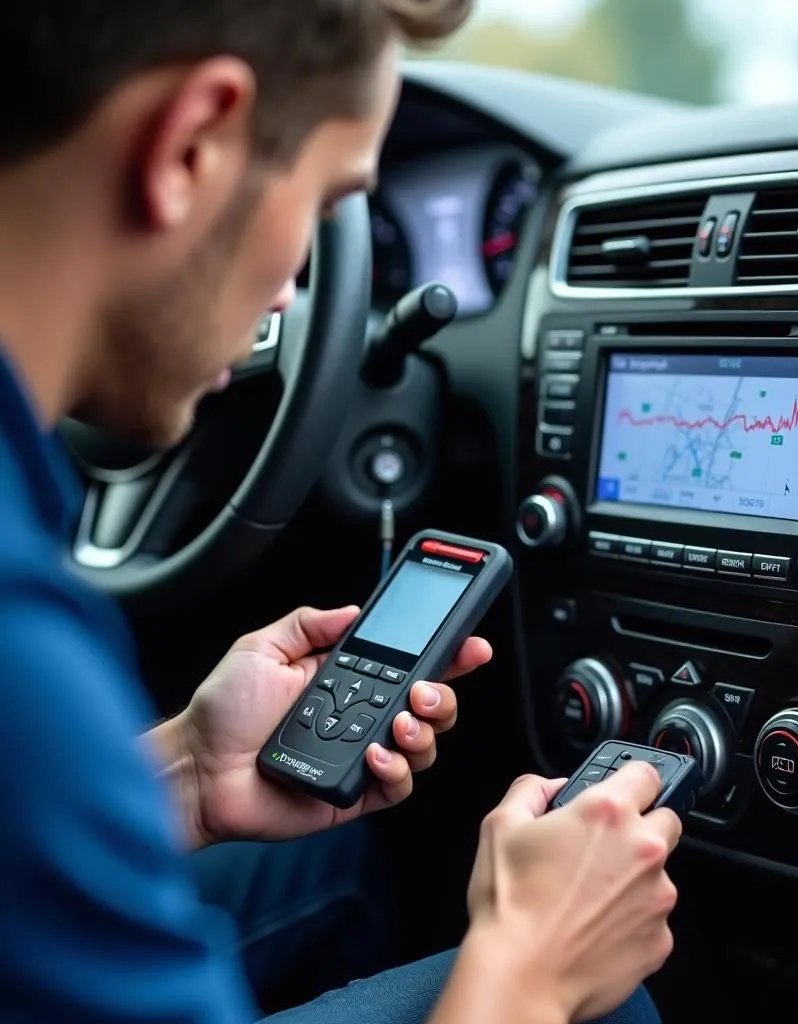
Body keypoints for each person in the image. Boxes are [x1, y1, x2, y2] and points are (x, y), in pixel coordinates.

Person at [0, 2, 681, 1022]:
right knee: (602, 1004)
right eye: (325, 199)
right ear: (191, 144)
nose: (289, 298)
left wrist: (186, 772)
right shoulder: (27, 653)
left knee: (332, 861)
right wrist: (531, 977)